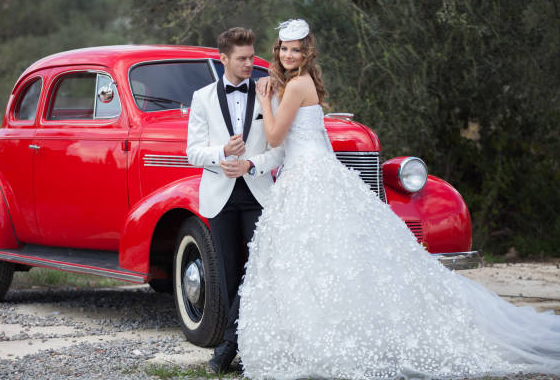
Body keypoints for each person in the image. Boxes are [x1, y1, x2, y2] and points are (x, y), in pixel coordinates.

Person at [237, 19, 560, 380]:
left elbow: (277, 137)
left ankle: (326, 339)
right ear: (277, 51)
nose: (288, 54)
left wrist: (265, 99)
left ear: (307, 52)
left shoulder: (296, 85)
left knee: (319, 257)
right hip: (308, 174)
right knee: (320, 260)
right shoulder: (298, 83)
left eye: (296, 49)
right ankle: (313, 335)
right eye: (283, 48)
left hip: (308, 176)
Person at [186, 27, 285, 374]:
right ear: (223, 59)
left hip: (258, 194)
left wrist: (250, 163)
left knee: (257, 271)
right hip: (219, 195)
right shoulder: (202, 98)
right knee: (228, 273)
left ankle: (231, 346)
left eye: (251, 56)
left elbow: (278, 151)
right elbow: (192, 153)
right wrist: (221, 153)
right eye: (241, 58)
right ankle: (238, 343)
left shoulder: (266, 93)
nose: (248, 63)